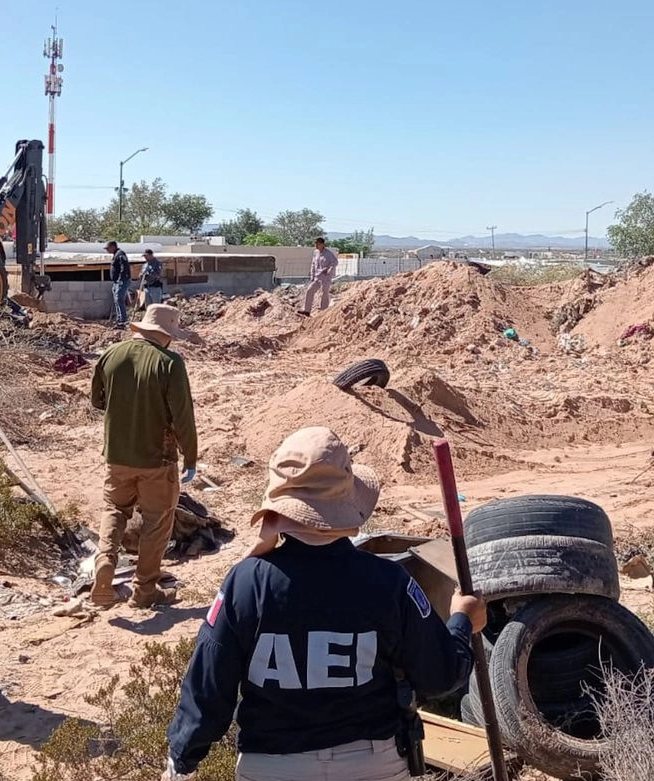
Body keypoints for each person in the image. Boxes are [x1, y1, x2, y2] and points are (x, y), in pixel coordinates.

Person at [164, 426, 485, 781]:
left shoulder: (246, 584)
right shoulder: (387, 582)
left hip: (272, 766)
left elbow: (208, 687)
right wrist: (462, 622)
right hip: (371, 763)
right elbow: (439, 675)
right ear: (346, 504)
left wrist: (182, 759)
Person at [90, 304, 198, 608]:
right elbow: (183, 417)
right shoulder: (170, 363)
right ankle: (144, 589)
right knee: (157, 522)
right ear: (167, 335)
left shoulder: (112, 354)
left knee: (114, 509)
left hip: (117, 455)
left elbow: (98, 400)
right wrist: (190, 457)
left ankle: (105, 564)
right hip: (157, 460)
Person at [298, 237, 337, 316]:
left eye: (317, 243)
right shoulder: (315, 252)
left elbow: (335, 262)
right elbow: (313, 264)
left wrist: (329, 269)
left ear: (322, 244)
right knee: (310, 290)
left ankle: (324, 312)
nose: (316, 245)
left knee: (324, 293)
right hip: (316, 277)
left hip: (325, 277)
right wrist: (312, 275)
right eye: (315, 243)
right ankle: (307, 310)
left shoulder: (328, 253)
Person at [107, 240, 131, 328]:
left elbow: (123, 267)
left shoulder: (120, 254)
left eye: (108, 248)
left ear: (113, 247)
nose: (107, 250)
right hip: (116, 281)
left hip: (121, 281)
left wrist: (121, 279)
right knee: (116, 300)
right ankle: (119, 318)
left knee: (119, 299)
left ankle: (123, 320)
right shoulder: (116, 255)